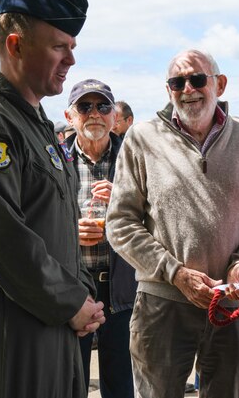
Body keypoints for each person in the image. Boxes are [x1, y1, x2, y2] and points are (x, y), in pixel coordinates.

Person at [0, 0, 105, 397]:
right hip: (11, 322)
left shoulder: (34, 124)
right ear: (16, 45)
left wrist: (81, 297)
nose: (71, 60)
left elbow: (50, 225)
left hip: (50, 314)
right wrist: (71, 303)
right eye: (59, 46)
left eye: (72, 47)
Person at [105, 49, 239, 398]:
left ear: (220, 84)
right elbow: (121, 223)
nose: (188, 89)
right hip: (162, 304)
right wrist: (175, 273)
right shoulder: (141, 138)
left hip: (231, 303)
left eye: (198, 79)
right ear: (167, 89)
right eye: (177, 82)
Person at [64, 79, 138, 398]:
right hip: (70, 289)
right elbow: (33, 220)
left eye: (103, 106)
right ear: (70, 116)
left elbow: (160, 214)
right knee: (71, 380)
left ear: (113, 116)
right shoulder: (54, 160)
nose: (94, 113)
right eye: (85, 106)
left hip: (121, 287)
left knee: (121, 383)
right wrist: (70, 231)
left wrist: (122, 198)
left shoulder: (134, 159)